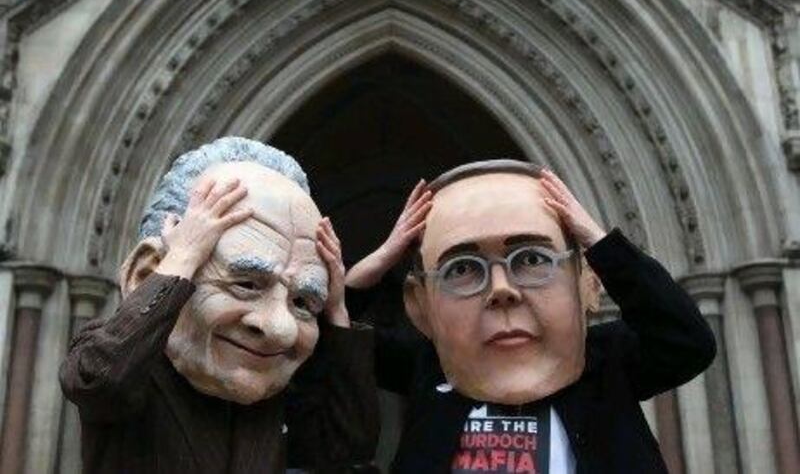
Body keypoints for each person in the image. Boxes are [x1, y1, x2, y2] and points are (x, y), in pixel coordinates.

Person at [345, 159, 716, 473]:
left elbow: (687, 341)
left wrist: (600, 243)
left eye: (532, 260)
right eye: (463, 269)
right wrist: (377, 263)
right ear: (420, 305)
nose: (502, 289)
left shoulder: (606, 361)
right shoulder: (428, 367)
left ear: (588, 284)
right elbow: (333, 347)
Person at [60, 137, 378, 473]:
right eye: (246, 284)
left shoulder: (270, 397)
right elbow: (101, 379)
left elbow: (346, 445)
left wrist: (337, 312)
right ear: (146, 273)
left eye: (302, 302)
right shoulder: (122, 367)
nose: (279, 329)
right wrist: (182, 257)